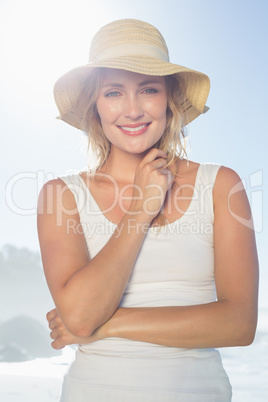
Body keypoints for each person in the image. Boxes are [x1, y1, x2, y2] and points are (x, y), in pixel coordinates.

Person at [37, 19, 259, 402]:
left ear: (168, 98)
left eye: (149, 90)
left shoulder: (222, 185)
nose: (133, 110)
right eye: (113, 93)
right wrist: (141, 208)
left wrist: (105, 326)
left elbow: (239, 325)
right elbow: (79, 316)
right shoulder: (61, 195)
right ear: (95, 104)